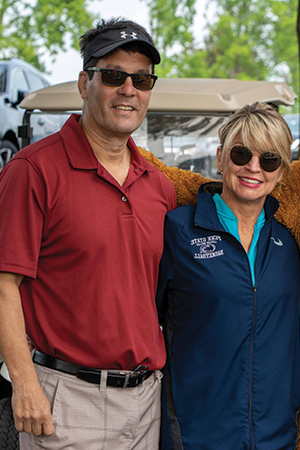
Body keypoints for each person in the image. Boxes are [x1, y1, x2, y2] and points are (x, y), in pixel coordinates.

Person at [0, 18, 175, 449]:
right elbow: (4, 286)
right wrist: (24, 383)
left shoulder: (158, 185)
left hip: (146, 401)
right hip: (64, 402)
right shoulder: (32, 171)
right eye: (114, 76)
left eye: (141, 79)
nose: (129, 89)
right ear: (84, 83)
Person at [157, 102, 300, 449]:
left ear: (281, 171)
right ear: (221, 157)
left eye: (269, 159)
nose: (253, 167)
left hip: (276, 435)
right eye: (241, 154)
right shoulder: (178, 230)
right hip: (196, 433)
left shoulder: (292, 239)